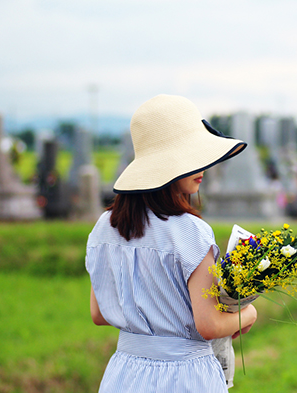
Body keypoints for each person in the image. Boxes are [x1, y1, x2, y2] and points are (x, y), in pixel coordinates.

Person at [86, 94, 258, 392]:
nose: (203, 167)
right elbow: (210, 326)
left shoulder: (105, 226)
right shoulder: (191, 231)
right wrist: (248, 313)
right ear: (169, 165)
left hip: (124, 374)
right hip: (185, 377)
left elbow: (99, 314)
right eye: (193, 156)